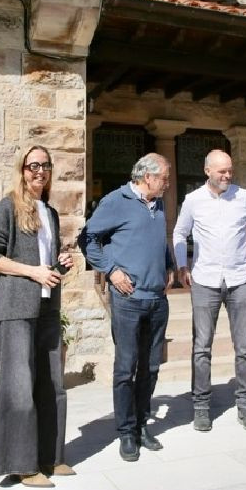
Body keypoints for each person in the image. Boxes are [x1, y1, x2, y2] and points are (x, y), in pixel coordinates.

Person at [0, 145, 75, 488]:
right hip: (15, 308)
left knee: (52, 383)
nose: (40, 171)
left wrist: (60, 264)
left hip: (47, 306)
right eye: (33, 165)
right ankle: (21, 464)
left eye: (45, 166)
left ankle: (50, 457)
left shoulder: (49, 212)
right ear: (22, 170)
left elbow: (46, 262)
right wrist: (33, 272)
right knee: (19, 386)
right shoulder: (7, 207)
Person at [81, 153, 175, 462]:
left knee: (151, 367)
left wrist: (168, 264)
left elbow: (158, 240)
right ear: (148, 177)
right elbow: (87, 239)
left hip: (156, 300)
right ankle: (125, 432)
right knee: (126, 368)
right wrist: (111, 271)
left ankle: (141, 425)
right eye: (164, 178)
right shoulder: (115, 201)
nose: (168, 183)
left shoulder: (158, 204)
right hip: (128, 301)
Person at [172, 149, 246, 432]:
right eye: (222, 171)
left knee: (245, 347)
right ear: (207, 171)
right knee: (201, 348)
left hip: (239, 280)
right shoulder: (193, 200)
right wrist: (182, 265)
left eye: (230, 170)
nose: (228, 175)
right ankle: (201, 407)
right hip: (205, 281)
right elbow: (179, 233)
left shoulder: (244, 197)